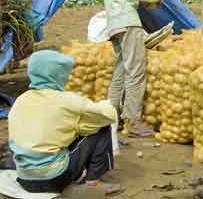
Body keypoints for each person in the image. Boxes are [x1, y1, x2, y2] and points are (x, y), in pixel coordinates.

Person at [8, 50, 120, 195]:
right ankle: (93, 181)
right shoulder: (66, 100)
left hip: (25, 178)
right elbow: (108, 114)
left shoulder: (21, 99)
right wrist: (103, 106)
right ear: (58, 75)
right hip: (54, 178)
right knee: (102, 126)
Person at [104, 0, 164, 138]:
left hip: (114, 23)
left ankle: (111, 119)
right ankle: (134, 121)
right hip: (128, 21)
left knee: (120, 71)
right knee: (136, 71)